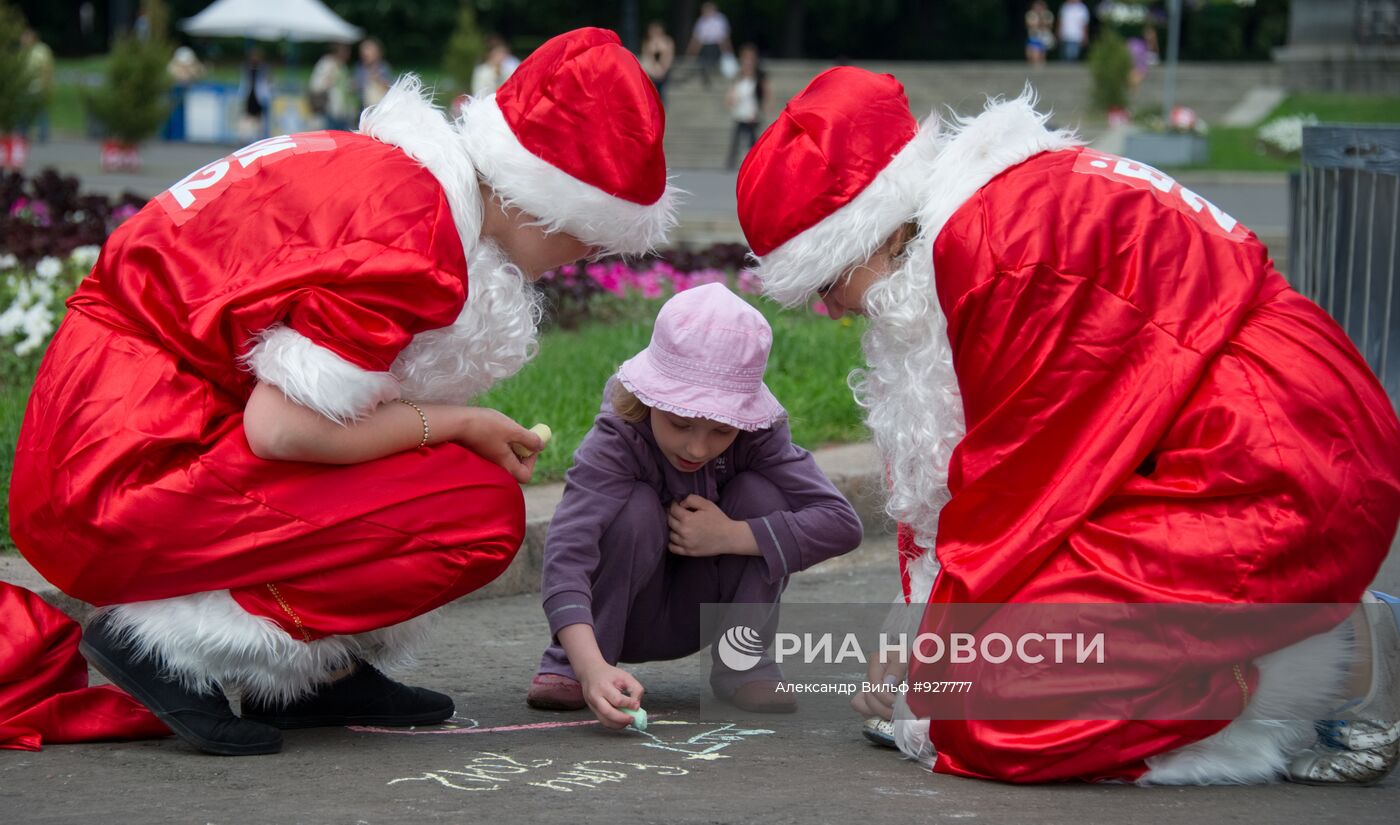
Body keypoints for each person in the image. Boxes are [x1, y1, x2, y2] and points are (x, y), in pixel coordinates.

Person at [8, 27, 676, 758]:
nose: (588, 256)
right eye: (590, 234)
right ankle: (170, 646)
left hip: (94, 436)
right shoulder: (417, 238)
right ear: (542, 198)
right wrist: (458, 422)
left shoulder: (396, 176)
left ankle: (317, 673)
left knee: (423, 474)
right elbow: (283, 429)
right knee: (476, 510)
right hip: (116, 474)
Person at [735, 67, 1400, 784]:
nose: (832, 310)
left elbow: (1014, 503)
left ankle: (1333, 662)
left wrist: (929, 670)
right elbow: (975, 488)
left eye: (829, 282)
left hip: (1270, 462)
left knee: (991, 710)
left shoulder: (998, 256)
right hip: (1236, 442)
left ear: (876, 231)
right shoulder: (985, 217)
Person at [526, 283, 864, 724]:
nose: (698, 448)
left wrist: (731, 535)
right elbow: (567, 551)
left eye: (722, 430)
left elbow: (841, 523)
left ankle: (744, 663)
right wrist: (589, 667)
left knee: (761, 495)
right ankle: (571, 664)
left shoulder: (758, 435)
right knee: (633, 507)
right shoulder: (617, 436)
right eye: (679, 423)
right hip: (612, 622)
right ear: (648, 399)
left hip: (701, 611)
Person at [724, 43, 768, 169]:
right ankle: (731, 162)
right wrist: (730, 100)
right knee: (736, 139)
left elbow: (765, 92)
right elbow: (732, 92)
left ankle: (754, 162)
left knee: (752, 140)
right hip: (740, 112)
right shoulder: (738, 76)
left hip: (752, 113)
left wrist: (763, 107)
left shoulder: (758, 76)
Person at [686, 2, 733, 89]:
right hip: (705, 46)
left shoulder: (720, 20)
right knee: (704, 60)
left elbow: (724, 37)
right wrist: (692, 52)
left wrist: (727, 50)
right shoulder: (701, 21)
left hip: (716, 46)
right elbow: (697, 39)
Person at [308, 43, 353, 131]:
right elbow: (316, 85)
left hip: (341, 110)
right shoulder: (327, 63)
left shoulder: (342, 65)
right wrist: (328, 80)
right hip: (329, 109)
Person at [164, 46, 205, 141]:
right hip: (175, 93)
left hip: (185, 93)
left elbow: (198, 74)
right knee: (174, 116)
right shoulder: (172, 67)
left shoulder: (193, 66)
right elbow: (177, 77)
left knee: (183, 116)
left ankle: (178, 136)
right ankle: (171, 136)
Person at [20, 28, 53, 144]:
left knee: (41, 112)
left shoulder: (41, 50)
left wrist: (46, 84)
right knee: (24, 113)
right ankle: (22, 134)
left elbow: (47, 68)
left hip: (38, 87)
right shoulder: (22, 51)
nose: (23, 39)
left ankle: (43, 135)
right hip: (24, 87)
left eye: (26, 37)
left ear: (32, 38)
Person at [236, 46, 272, 140]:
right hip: (249, 96)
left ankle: (258, 138)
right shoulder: (247, 67)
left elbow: (268, 82)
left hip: (260, 97)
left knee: (259, 120)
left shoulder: (263, 68)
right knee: (247, 118)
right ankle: (246, 137)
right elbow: (244, 83)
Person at [640, 21, 675, 107]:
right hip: (651, 71)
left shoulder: (667, 41)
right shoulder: (647, 42)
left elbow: (668, 57)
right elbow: (647, 58)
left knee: (662, 93)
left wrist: (662, 69)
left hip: (663, 70)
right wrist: (652, 70)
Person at [355, 38, 393, 111]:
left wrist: (379, 80)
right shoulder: (360, 68)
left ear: (377, 53)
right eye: (363, 52)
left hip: (380, 108)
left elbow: (391, 88)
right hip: (364, 108)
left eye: (368, 52)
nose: (364, 55)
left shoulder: (383, 68)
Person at [1024, 1, 1055, 68]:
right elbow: (1029, 25)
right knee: (1030, 56)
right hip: (1033, 37)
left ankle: (1039, 70)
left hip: (1043, 38)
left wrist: (1041, 19)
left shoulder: (1047, 14)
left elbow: (1049, 26)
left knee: (1039, 56)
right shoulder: (1031, 14)